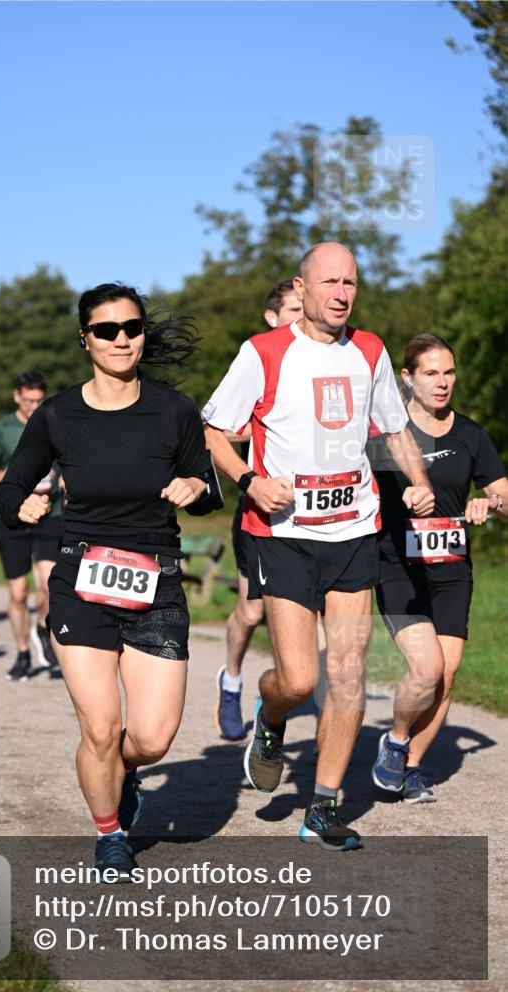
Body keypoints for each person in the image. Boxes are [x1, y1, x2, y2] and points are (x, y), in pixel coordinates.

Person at [202, 242, 435, 850]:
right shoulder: (262, 353)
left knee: (349, 673)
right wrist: (251, 481)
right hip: (283, 536)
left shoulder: (372, 350)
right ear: (301, 290)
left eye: (350, 283)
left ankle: (323, 808)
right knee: (299, 679)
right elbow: (214, 435)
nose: (340, 293)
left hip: (354, 528)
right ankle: (270, 717)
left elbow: (392, 429)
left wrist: (419, 483)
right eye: (328, 282)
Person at [0, 283, 215, 879]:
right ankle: (110, 833)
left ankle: (124, 773)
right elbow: (12, 487)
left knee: (151, 737)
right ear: (85, 339)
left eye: (132, 328)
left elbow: (206, 485)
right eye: (107, 330)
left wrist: (196, 488)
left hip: (156, 579)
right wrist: (22, 509)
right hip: (81, 576)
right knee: (101, 727)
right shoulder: (57, 414)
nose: (122, 339)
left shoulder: (174, 409)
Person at [370, 334, 507, 801]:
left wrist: (489, 501)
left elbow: (505, 495)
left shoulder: (470, 434)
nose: (442, 382)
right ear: (407, 378)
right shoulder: (383, 436)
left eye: (448, 372)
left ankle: (408, 766)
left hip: (451, 568)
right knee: (426, 669)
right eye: (431, 373)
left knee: (446, 677)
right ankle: (394, 738)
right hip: (397, 568)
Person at [216, 280, 303, 740]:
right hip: (260, 509)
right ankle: (231, 679)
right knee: (252, 613)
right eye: (292, 309)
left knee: (301, 614)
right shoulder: (257, 359)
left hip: (314, 515)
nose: (300, 316)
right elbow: (215, 428)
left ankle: (281, 692)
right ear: (271, 316)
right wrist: (262, 430)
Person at [0, 373, 64, 680]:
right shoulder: (1, 430)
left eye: (38, 401)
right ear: (17, 397)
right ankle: (22, 652)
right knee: (18, 593)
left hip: (50, 514)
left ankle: (44, 630)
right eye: (28, 401)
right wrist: (18, 475)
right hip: (13, 517)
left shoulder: (55, 421)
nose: (33, 407)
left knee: (49, 583)